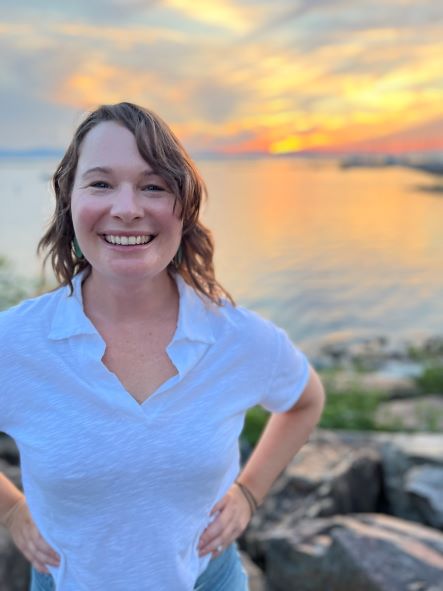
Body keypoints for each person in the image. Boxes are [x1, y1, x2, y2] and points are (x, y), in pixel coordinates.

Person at [0, 102, 325, 591]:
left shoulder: (236, 337)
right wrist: (11, 510)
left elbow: (305, 400)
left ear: (184, 206)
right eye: (101, 183)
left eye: (153, 186)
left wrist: (248, 495)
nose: (127, 207)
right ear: (69, 199)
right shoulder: (16, 343)